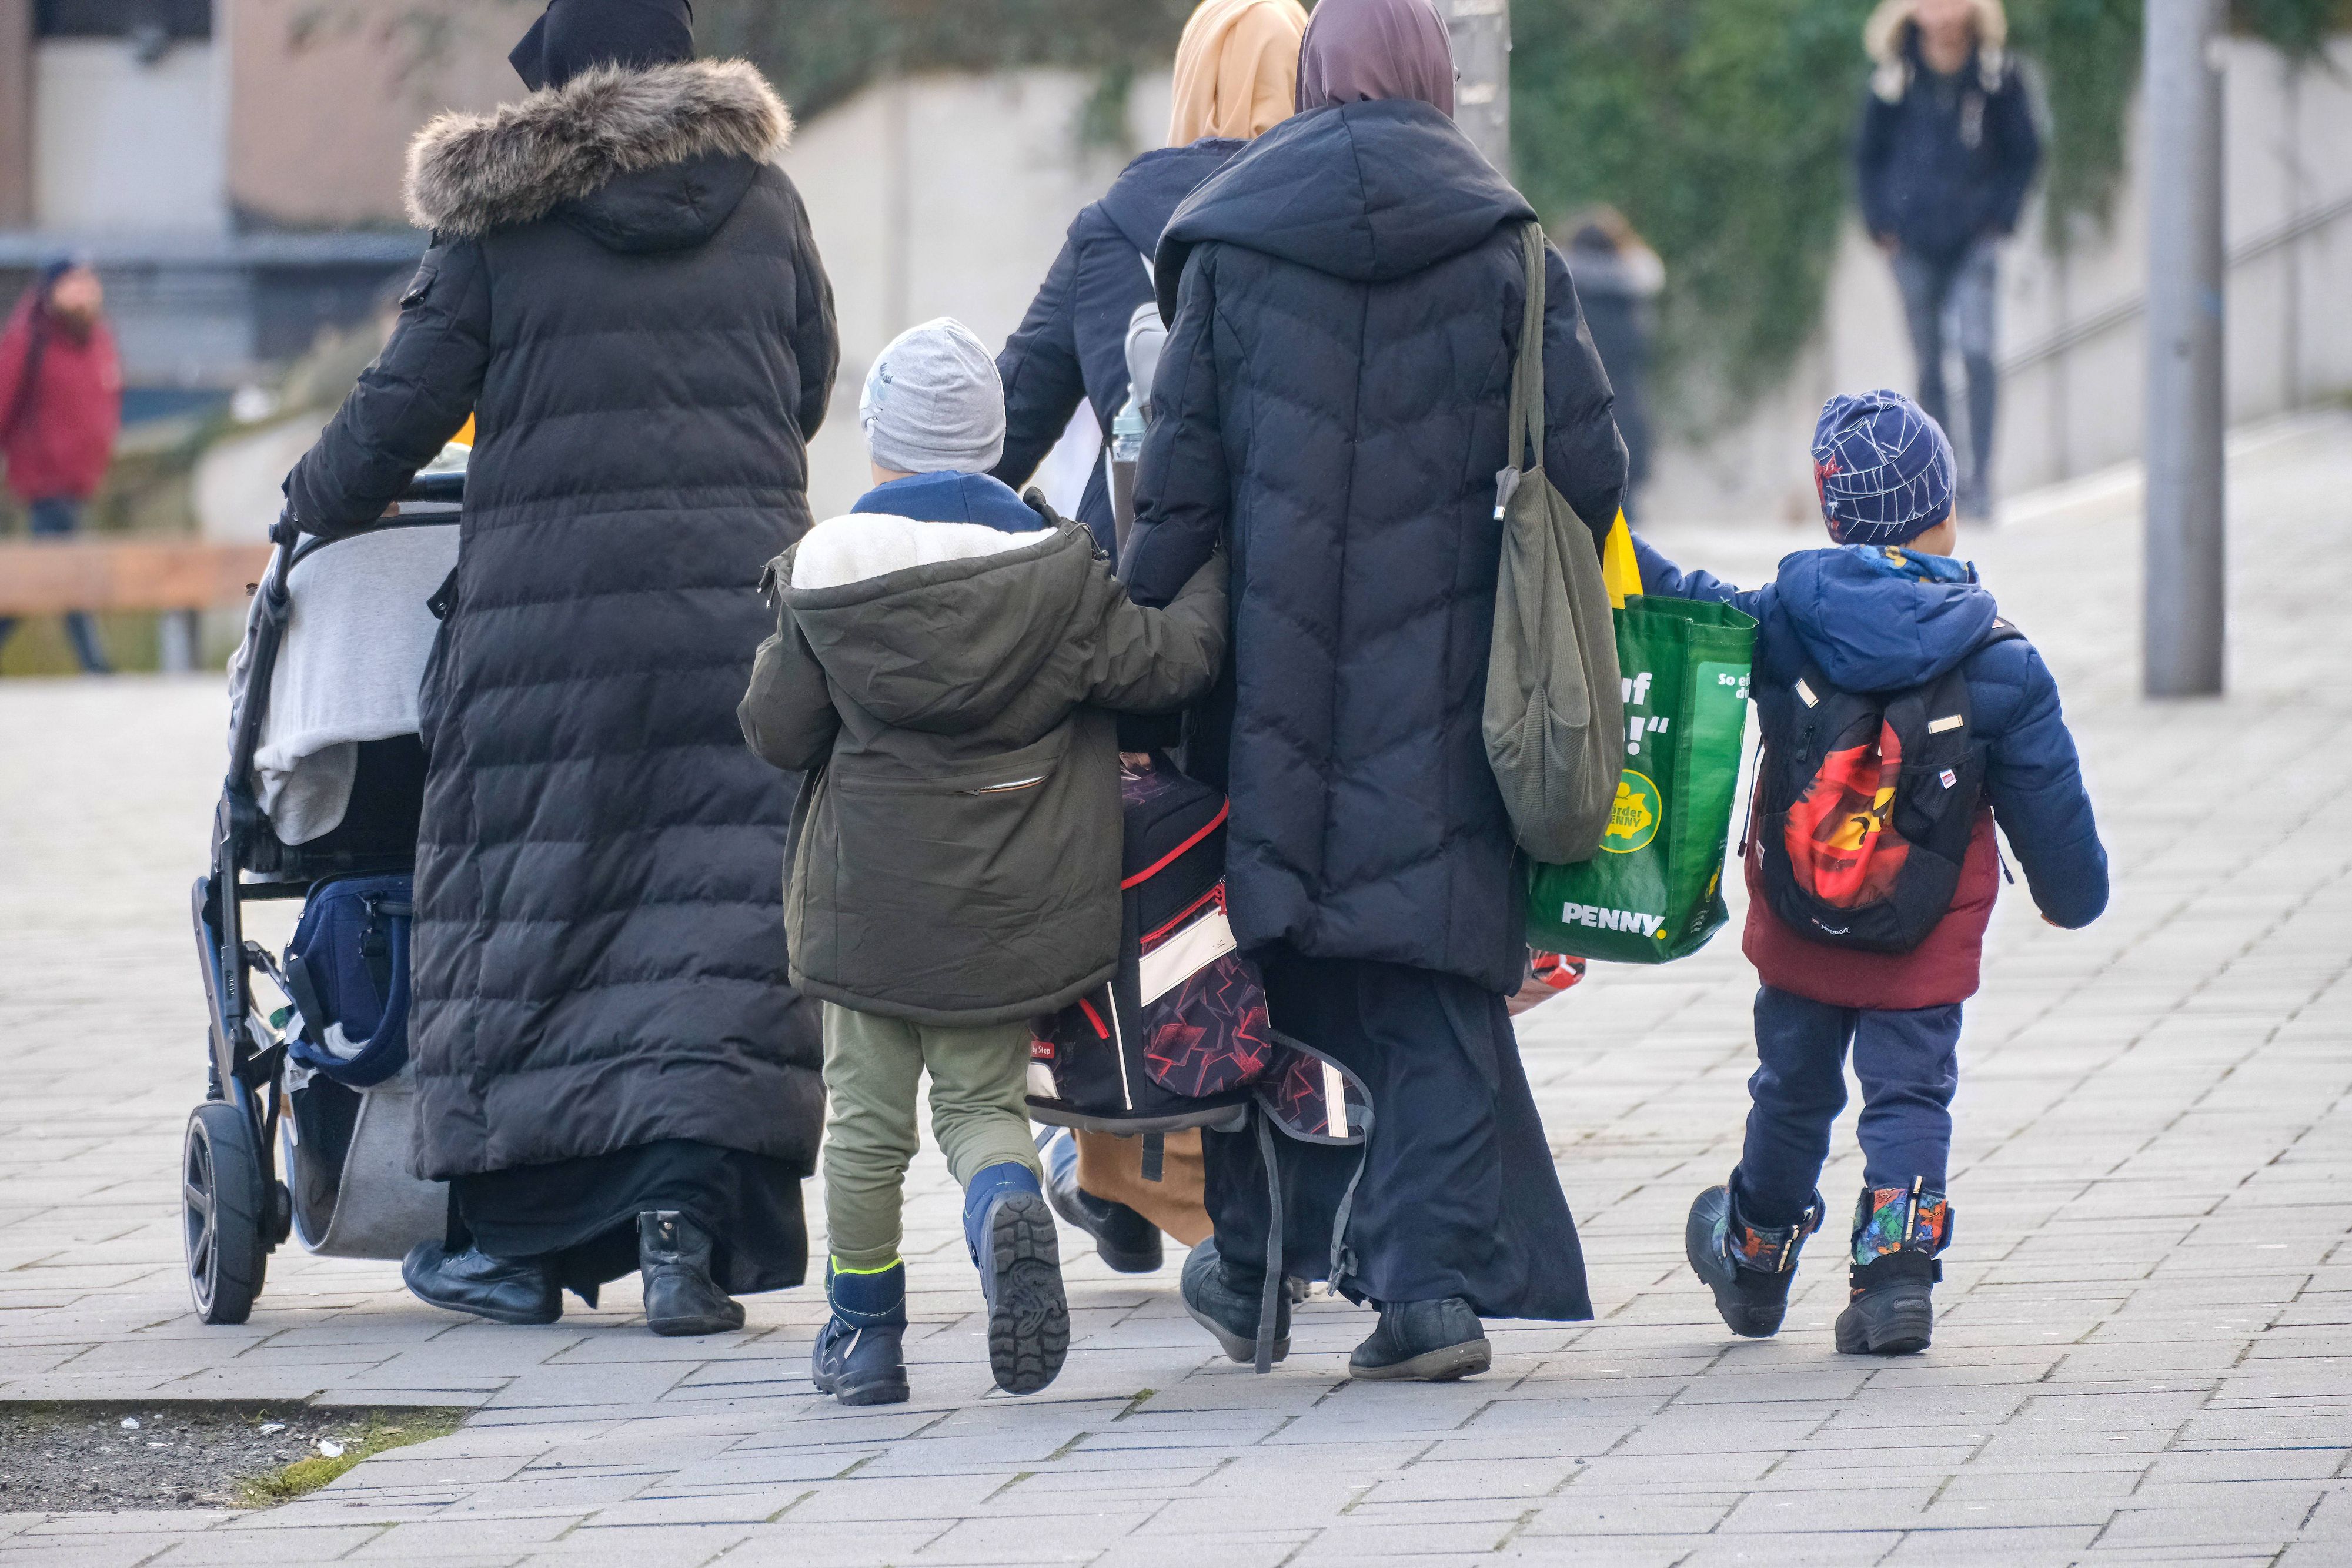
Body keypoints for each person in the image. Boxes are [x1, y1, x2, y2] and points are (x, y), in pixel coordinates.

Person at [282, 0, 840, 1336]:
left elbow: (400, 409)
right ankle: (686, 1228)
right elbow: (806, 381)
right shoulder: (760, 201)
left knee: (539, 909)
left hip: (550, 644)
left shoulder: (501, 215)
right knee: (716, 914)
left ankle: (520, 1248)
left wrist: (311, 499)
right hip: (738, 617)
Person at [1123, 0, 1628, 1382]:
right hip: (1452, 693)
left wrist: (1130, 660)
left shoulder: (1225, 244)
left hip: (1267, 691)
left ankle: (1250, 1260)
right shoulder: (1507, 244)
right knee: (1437, 987)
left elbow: (1174, 499)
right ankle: (1422, 1293)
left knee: (1260, 969)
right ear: (1434, 80)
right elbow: (1588, 471)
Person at [737, 319, 1228, 1405]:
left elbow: (777, 731)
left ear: (878, 445)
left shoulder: (826, 574)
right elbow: (1168, 665)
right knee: (979, 1105)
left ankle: (865, 1338)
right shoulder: (1056, 574)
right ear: (996, 442)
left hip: (867, 905)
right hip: (1011, 901)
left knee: (865, 1127)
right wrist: (1213, 569)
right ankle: (1005, 1197)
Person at [1633, 390, 2106, 1355]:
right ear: (1944, 508)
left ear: (1836, 514)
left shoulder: (1783, 622)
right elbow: (2061, 840)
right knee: (1909, 1091)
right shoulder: (2000, 658)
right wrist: (2072, 895)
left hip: (1806, 916)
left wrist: (1597, 526)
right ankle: (1896, 1278)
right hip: (1923, 929)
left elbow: (1682, 598)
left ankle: (1755, 1256)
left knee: (1793, 1086)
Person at [990, 0, 1309, 1279]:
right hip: (1299, 612)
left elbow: (1000, 433)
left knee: (1139, 893)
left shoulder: (1110, 226)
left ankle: (1116, 1160)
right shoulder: (1319, 215)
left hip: (1133, 614)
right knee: (1266, 893)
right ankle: (1269, 1182)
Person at [1856, 0, 2040, 520]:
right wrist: (1881, 225)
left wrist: (2001, 218)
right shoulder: (1893, 80)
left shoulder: (1997, 76)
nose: (1942, 13)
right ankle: (1945, 484)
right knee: (1929, 362)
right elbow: (1866, 157)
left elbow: (2025, 151)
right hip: (1910, 245)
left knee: (1979, 350)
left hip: (1975, 241)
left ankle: (1983, 479)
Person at [0, 259, 121, 674]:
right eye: (73, 284)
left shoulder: (98, 339)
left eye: (89, 282)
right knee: (61, 574)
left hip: (81, 483)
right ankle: (97, 667)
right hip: (44, 482)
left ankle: (97, 667)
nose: (84, 292)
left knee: (44, 577)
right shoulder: (29, 340)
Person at [1563, 209, 1663, 521]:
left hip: (1574, 418)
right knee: (1628, 530)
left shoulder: (1563, 294)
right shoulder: (1631, 297)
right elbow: (1642, 350)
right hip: (1625, 414)